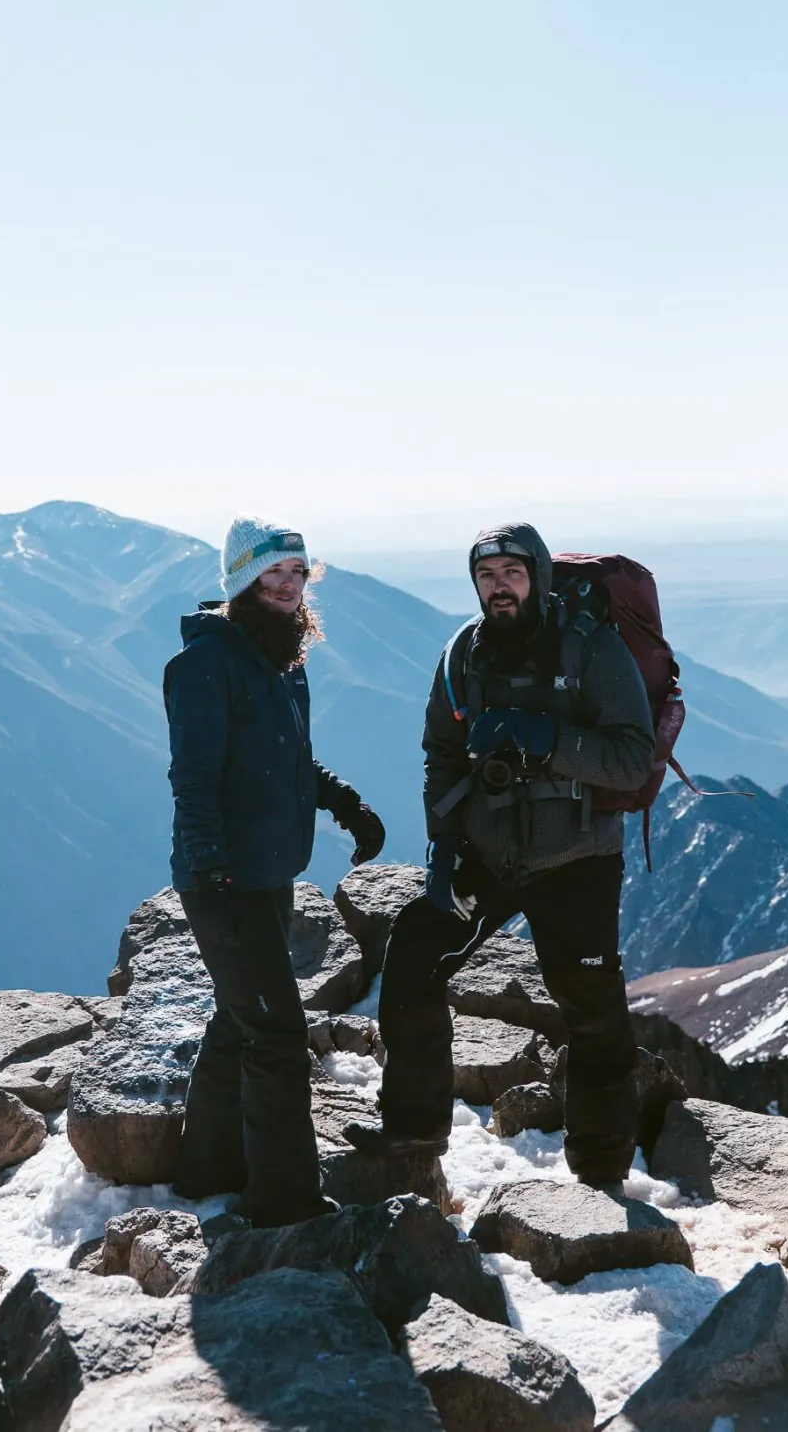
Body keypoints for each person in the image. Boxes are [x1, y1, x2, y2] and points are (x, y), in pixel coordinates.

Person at [344, 522, 654, 1186]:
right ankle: (413, 1131)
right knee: (412, 958)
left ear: (538, 576)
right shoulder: (463, 654)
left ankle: (601, 1169)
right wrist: (445, 845)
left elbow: (632, 760)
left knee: (590, 1005)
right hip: (486, 855)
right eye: (486, 577)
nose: (499, 587)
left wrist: (544, 738)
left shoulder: (592, 650)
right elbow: (441, 756)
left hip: (577, 858)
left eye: (512, 574)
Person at [165, 515, 385, 1227]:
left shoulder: (283, 659)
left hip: (267, 873)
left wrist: (345, 804)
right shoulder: (204, 666)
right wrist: (212, 870)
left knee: (241, 1020)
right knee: (279, 1036)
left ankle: (205, 1171)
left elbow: (288, 762)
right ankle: (284, 1203)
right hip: (225, 882)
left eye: (297, 573)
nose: (289, 587)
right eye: (273, 574)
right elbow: (193, 781)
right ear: (241, 582)